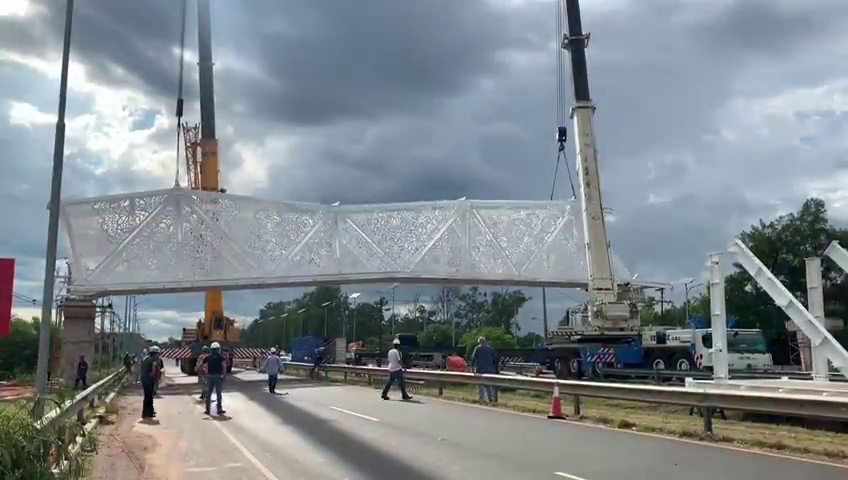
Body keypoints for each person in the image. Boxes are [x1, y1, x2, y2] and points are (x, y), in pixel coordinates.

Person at [202, 342, 227, 415]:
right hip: (218, 377)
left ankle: (207, 410)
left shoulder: (208, 357)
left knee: (208, 394)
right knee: (218, 394)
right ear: (218, 349)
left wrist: (202, 372)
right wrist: (224, 375)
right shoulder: (221, 357)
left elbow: (201, 364)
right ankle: (219, 409)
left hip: (209, 377)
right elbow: (224, 366)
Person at [470, 336, 496, 403]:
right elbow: (494, 359)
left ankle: (482, 398)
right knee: (488, 385)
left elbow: (473, 358)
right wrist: (493, 367)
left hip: (480, 368)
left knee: (480, 384)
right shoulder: (490, 348)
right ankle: (490, 398)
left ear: (479, 342)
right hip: (489, 369)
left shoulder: (477, 348)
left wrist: (472, 367)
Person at [140, 346, 162, 419]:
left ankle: (147, 412)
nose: (158, 356)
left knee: (147, 396)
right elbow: (153, 372)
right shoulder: (153, 361)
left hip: (144, 379)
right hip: (149, 380)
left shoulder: (146, 359)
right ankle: (148, 412)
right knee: (149, 396)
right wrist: (155, 380)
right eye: (157, 354)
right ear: (154, 354)